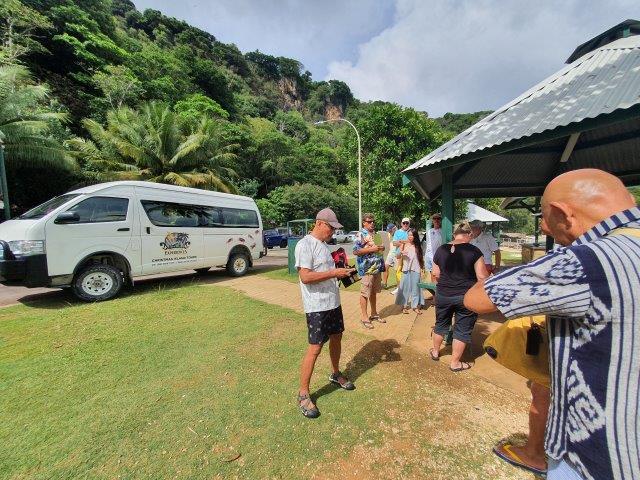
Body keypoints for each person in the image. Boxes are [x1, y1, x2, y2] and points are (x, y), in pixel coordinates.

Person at [464, 169, 640, 480]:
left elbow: (477, 299)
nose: (545, 227)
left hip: (599, 458)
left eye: (545, 219)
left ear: (563, 214)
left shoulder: (585, 261)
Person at [295, 208, 356, 419]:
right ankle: (303, 393)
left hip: (333, 303)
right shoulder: (305, 245)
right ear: (319, 223)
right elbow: (305, 277)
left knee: (337, 338)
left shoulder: (324, 246)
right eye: (331, 227)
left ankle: (335, 373)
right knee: (315, 348)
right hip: (316, 306)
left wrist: (344, 273)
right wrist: (333, 272)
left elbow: (327, 275)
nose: (333, 232)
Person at [430, 221, 488, 371]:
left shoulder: (441, 250)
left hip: (443, 294)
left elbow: (435, 273)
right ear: (469, 234)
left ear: (454, 234)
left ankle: (435, 351)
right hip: (466, 297)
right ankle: (455, 362)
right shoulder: (474, 251)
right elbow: (482, 277)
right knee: (462, 329)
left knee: (440, 324)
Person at [353, 213, 386, 329]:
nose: (372, 223)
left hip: (376, 268)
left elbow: (379, 249)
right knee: (365, 293)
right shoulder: (360, 234)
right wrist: (373, 248)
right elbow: (356, 251)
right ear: (364, 223)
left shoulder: (375, 234)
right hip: (367, 269)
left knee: (373, 292)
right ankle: (364, 317)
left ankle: (374, 313)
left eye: (373, 221)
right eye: (369, 221)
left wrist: (381, 248)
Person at [395, 228, 425, 314]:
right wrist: (401, 252)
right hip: (406, 269)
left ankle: (415, 306)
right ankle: (403, 306)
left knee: (415, 288)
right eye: (408, 235)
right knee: (404, 288)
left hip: (416, 269)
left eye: (411, 235)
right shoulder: (403, 245)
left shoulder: (418, 246)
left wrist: (422, 269)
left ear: (415, 236)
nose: (410, 237)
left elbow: (420, 258)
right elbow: (397, 256)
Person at [389, 217, 411, 295]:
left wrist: (401, 242)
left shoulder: (411, 231)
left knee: (408, 272)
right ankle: (399, 288)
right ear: (401, 224)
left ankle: (408, 289)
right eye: (404, 223)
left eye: (407, 223)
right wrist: (405, 242)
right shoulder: (397, 232)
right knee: (398, 271)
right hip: (399, 255)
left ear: (409, 224)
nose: (405, 224)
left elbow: (413, 242)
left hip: (409, 256)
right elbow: (394, 243)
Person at [424, 213, 443, 282]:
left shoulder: (443, 231)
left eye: (438, 218)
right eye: (434, 218)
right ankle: (434, 292)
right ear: (432, 220)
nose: (436, 220)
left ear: (441, 220)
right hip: (428, 256)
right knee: (431, 274)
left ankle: (437, 291)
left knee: (437, 275)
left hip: (437, 256)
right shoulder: (429, 231)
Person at [382, 223, 397, 288]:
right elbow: (385, 242)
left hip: (397, 254)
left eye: (390, 230)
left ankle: (399, 286)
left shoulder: (399, 233)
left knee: (397, 270)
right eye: (388, 230)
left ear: (394, 228)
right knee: (385, 267)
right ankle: (384, 284)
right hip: (391, 253)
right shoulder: (389, 234)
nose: (389, 232)